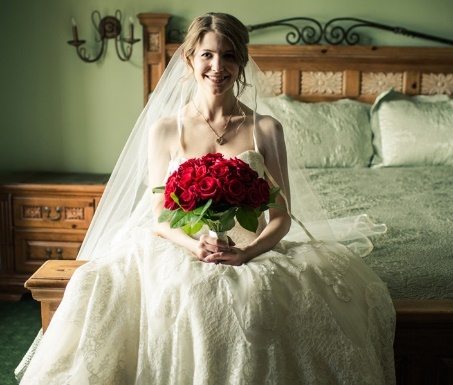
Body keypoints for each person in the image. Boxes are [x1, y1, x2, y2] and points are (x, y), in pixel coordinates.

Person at [18, 13, 396, 384]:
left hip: (250, 249)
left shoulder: (265, 129)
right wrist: (193, 246)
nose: (219, 66)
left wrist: (247, 253)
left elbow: (282, 217)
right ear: (189, 59)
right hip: (181, 245)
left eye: (230, 55)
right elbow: (161, 217)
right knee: (128, 287)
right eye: (208, 55)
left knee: (259, 301)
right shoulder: (165, 130)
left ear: (242, 63)